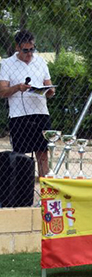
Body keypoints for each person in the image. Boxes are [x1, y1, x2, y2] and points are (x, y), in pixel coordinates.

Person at [0, 30, 55, 177]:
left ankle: (45, 194)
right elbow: (2, 92)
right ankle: (21, 195)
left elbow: (49, 86)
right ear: (17, 47)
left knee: (43, 154)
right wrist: (18, 87)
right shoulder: (6, 64)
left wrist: (49, 91)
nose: (30, 54)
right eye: (26, 50)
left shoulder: (41, 61)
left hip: (41, 113)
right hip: (19, 115)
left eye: (32, 49)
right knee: (20, 157)